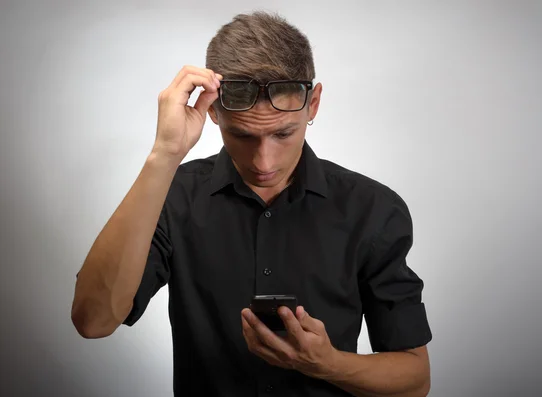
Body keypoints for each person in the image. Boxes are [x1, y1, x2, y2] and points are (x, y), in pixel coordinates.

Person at [71, 11, 433, 397]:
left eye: (283, 133)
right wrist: (164, 154)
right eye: (242, 135)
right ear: (212, 111)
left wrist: (329, 364)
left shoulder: (373, 209)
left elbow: (415, 379)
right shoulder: (173, 195)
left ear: (313, 105)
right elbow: (93, 321)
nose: (264, 162)